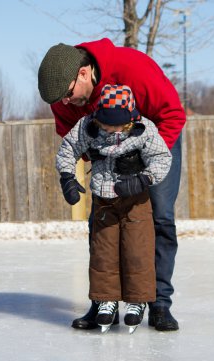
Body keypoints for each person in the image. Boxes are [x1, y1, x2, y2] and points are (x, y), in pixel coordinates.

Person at [38, 38, 186, 331]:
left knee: (159, 218)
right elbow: (71, 138)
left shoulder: (133, 68)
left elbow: (172, 114)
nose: (65, 103)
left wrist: (143, 164)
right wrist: (76, 167)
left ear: (83, 72)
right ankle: (102, 301)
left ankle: (159, 303)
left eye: (68, 94)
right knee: (101, 222)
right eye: (59, 100)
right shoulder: (63, 97)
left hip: (156, 143)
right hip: (106, 155)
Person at [56, 84, 172, 333]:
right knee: (103, 253)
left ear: (130, 120)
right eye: (105, 123)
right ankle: (105, 300)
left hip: (135, 200)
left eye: (115, 124)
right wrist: (67, 176)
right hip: (104, 201)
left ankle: (137, 300)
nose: (108, 128)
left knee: (137, 251)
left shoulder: (145, 129)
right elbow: (68, 148)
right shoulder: (88, 126)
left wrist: (144, 178)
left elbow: (162, 158)